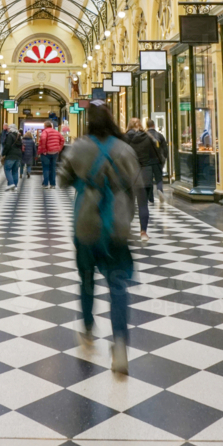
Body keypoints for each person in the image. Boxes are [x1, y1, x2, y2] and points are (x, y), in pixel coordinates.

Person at [58, 102, 139, 374]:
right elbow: (135, 184)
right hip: (116, 225)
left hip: (85, 224)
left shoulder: (79, 146)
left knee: (87, 279)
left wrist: (84, 179)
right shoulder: (124, 148)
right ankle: (119, 346)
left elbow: (62, 180)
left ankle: (88, 329)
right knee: (118, 286)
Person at [125, 118, 158, 243]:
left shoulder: (124, 138)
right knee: (143, 205)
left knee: (128, 203)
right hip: (144, 174)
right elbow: (154, 156)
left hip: (129, 174)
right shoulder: (148, 138)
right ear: (140, 125)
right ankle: (143, 232)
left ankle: (127, 228)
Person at [146, 118, 168, 204]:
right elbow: (165, 149)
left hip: (148, 161)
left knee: (149, 179)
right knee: (159, 178)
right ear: (154, 125)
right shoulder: (160, 136)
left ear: (147, 126)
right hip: (158, 160)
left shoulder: (145, 136)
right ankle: (159, 190)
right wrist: (163, 159)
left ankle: (150, 198)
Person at [38, 120, 65, 188]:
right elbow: (62, 140)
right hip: (55, 152)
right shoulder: (56, 132)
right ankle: (53, 184)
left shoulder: (45, 131)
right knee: (53, 168)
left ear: (45, 126)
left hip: (46, 153)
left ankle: (46, 184)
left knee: (46, 168)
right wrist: (59, 148)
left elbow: (43, 139)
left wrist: (44, 150)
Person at [3, 125, 22, 190]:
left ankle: (11, 184)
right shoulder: (18, 136)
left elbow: (7, 145)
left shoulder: (10, 135)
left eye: (8, 128)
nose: (7, 129)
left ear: (10, 129)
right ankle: (15, 186)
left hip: (10, 155)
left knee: (7, 169)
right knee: (15, 171)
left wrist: (4, 153)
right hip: (18, 156)